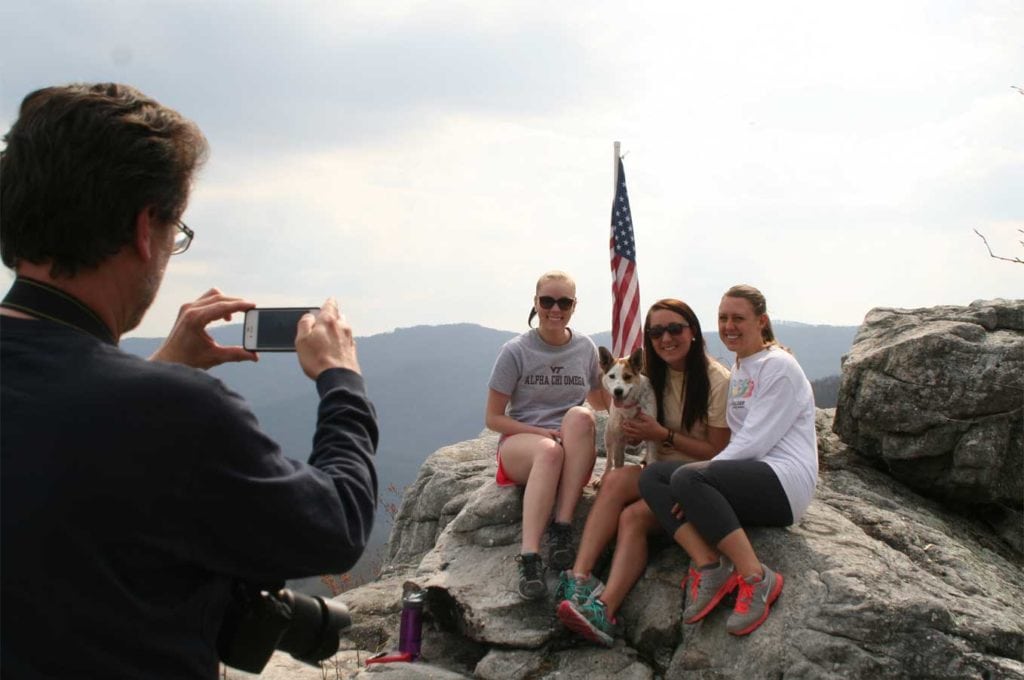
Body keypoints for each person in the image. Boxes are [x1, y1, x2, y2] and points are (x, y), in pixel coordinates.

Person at [0, 83, 379, 678]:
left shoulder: (148, 406)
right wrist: (341, 380)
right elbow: (336, 526)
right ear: (144, 228)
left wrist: (154, 373)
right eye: (178, 231)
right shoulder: (174, 413)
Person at [638, 284, 818, 636]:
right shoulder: (741, 367)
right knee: (653, 478)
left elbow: (754, 441)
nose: (729, 326)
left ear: (761, 321)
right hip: (752, 476)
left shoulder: (778, 366)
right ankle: (710, 564)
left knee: (687, 479)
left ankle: (756, 576)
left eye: (738, 318)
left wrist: (693, 482)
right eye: (723, 318)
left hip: (783, 482)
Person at [556, 299, 731, 646]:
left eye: (675, 329)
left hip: (695, 475)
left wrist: (661, 436)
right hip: (659, 471)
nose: (666, 338)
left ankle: (604, 610)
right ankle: (580, 577)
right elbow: (615, 396)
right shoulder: (653, 375)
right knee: (615, 480)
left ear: (693, 332)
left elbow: (718, 452)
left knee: (633, 517)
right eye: (656, 331)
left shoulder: (716, 380)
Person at [485, 271, 608, 600]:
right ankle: (529, 557)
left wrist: (627, 380)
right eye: (547, 301)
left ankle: (563, 527)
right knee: (549, 451)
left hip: (569, 441)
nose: (556, 309)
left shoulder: (585, 348)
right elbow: (493, 418)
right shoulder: (515, 351)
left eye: (564, 302)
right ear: (535, 303)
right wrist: (540, 432)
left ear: (574, 305)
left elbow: (601, 402)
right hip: (523, 443)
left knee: (582, 417)